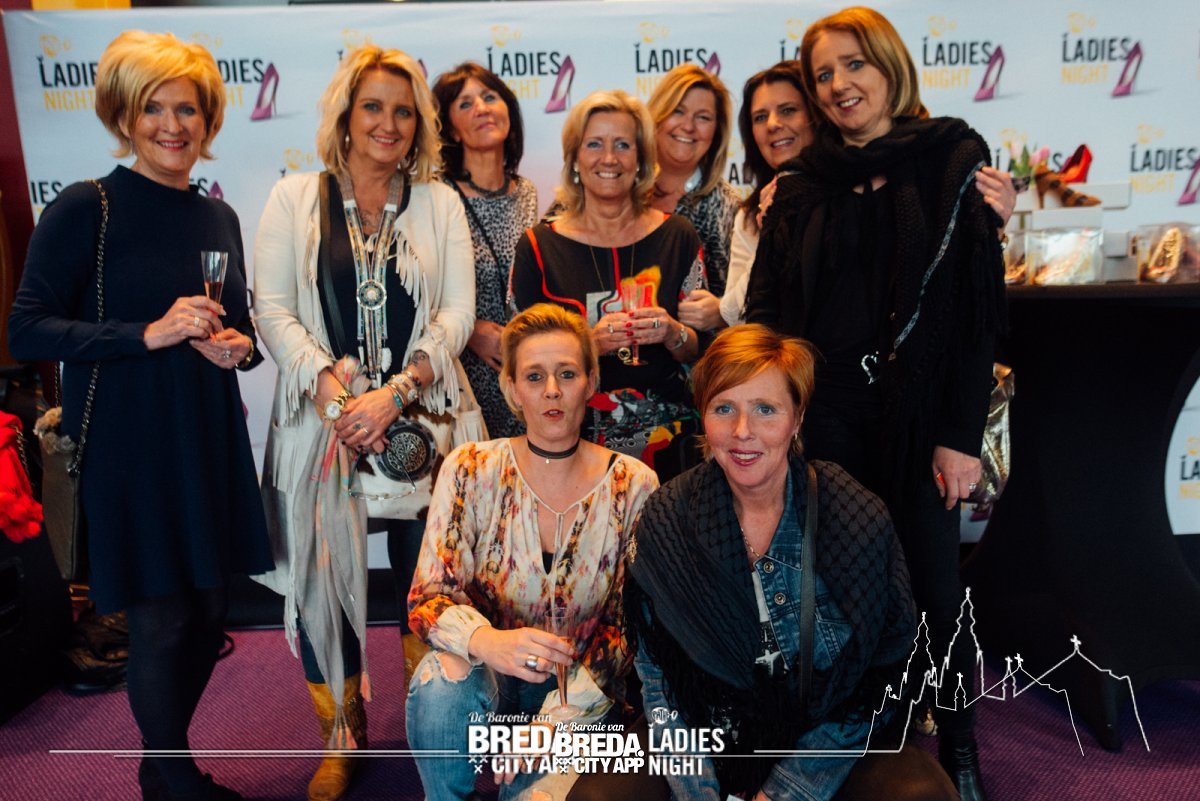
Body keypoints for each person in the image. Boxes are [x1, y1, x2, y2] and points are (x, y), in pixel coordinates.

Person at [746, 8, 1008, 799]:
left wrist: (959, 435)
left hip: (919, 422)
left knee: (936, 592)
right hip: (825, 420)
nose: (838, 85)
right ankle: (865, 745)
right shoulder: (800, 184)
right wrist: (771, 419)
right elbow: (767, 313)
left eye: (853, 64)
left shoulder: (952, 158)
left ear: (890, 64)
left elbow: (975, 315)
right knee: (840, 593)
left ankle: (960, 749)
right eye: (823, 74)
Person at [9, 30, 271, 801]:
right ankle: (173, 774)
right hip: (129, 440)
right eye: (153, 108)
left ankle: (163, 765)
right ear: (124, 116)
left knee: (210, 609)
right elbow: (27, 329)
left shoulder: (217, 217)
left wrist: (238, 348)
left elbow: (241, 328)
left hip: (207, 435)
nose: (171, 125)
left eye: (187, 109)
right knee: (160, 617)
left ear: (208, 119)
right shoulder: (85, 206)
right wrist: (145, 333)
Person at [251, 44, 478, 801]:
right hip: (324, 425)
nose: (388, 123)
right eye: (372, 107)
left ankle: (429, 721)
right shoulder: (293, 197)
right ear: (344, 117)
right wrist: (336, 399)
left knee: (431, 581)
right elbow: (273, 310)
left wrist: (396, 393)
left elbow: (456, 314)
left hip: (426, 419)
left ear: (420, 125)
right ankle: (341, 738)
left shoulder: (440, 203)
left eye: (403, 111)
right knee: (325, 581)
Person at [626, 325, 954, 801]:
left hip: (826, 739)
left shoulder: (851, 516)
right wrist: (697, 793)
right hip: (705, 734)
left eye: (765, 409)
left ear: (797, 418)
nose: (743, 431)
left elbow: (881, 676)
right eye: (724, 408)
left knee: (920, 796)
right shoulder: (668, 518)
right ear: (703, 416)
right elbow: (660, 682)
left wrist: (787, 791)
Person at [406, 303, 659, 801]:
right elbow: (428, 598)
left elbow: (632, 625)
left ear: (590, 382)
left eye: (567, 374)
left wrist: (553, 724)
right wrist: (487, 641)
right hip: (489, 680)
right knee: (442, 679)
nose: (552, 391)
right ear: (512, 388)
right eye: (535, 376)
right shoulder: (470, 467)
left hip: (583, 699)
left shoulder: (634, 483)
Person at [722, 59, 1015, 327]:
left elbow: (944, 282)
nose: (773, 125)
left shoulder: (874, 190)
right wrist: (771, 238)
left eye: (788, 110)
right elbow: (733, 314)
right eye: (759, 117)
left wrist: (991, 231)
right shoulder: (751, 214)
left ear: (818, 113)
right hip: (795, 362)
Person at [510, 90, 705, 482]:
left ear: (641, 160)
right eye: (594, 144)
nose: (610, 158)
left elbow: (700, 350)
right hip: (572, 440)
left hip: (672, 444)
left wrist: (672, 332)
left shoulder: (678, 236)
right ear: (575, 159)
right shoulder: (538, 247)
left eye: (623, 145)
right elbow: (519, 356)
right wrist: (587, 345)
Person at [432, 62, 538, 439]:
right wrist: (469, 331)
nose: (481, 108)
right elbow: (416, 289)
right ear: (451, 130)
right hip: (462, 370)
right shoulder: (436, 196)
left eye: (489, 97)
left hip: (524, 371)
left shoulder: (527, 192)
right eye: (465, 104)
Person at [645, 64, 739, 332]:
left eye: (703, 117)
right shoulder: (617, 187)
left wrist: (723, 312)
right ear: (656, 116)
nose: (688, 126)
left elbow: (751, 299)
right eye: (677, 111)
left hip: (702, 354)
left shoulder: (727, 207)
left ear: (716, 132)